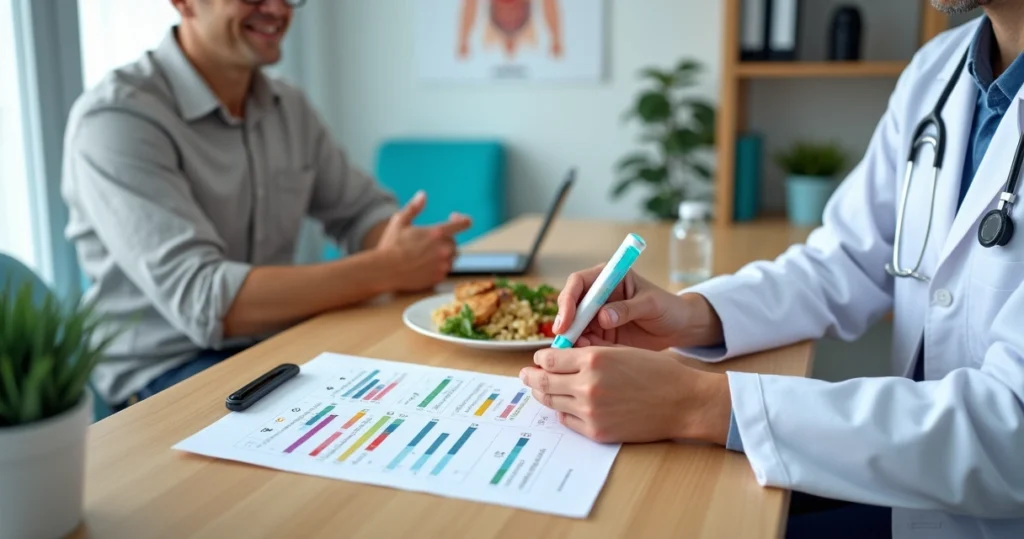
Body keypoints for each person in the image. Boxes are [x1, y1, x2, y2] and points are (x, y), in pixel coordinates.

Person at [520, 2, 1024, 538]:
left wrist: (696, 403)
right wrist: (689, 315)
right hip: (912, 474)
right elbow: (845, 258)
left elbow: (1010, 434)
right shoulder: (939, 69)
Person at [61, 0, 470, 410]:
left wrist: (402, 244)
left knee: (433, 383)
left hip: (276, 343)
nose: (277, 9)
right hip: (167, 372)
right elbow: (209, 302)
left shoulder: (288, 105)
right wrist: (387, 268)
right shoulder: (116, 119)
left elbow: (360, 211)